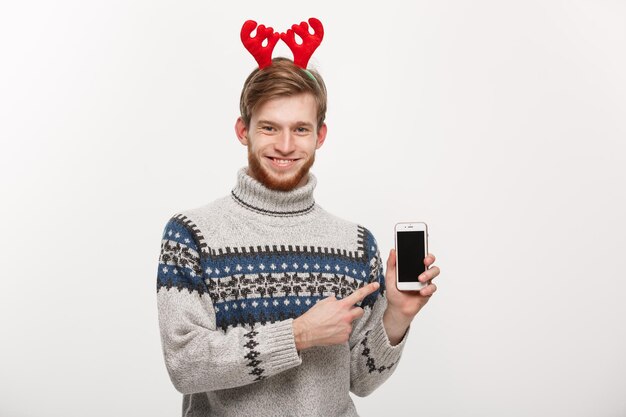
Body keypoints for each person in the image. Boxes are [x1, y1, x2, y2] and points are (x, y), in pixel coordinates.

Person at [156, 21, 440, 417]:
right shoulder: (191, 234)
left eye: (300, 129)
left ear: (320, 135)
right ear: (244, 130)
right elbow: (184, 365)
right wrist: (298, 334)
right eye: (270, 127)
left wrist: (396, 316)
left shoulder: (355, 244)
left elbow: (362, 379)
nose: (285, 146)